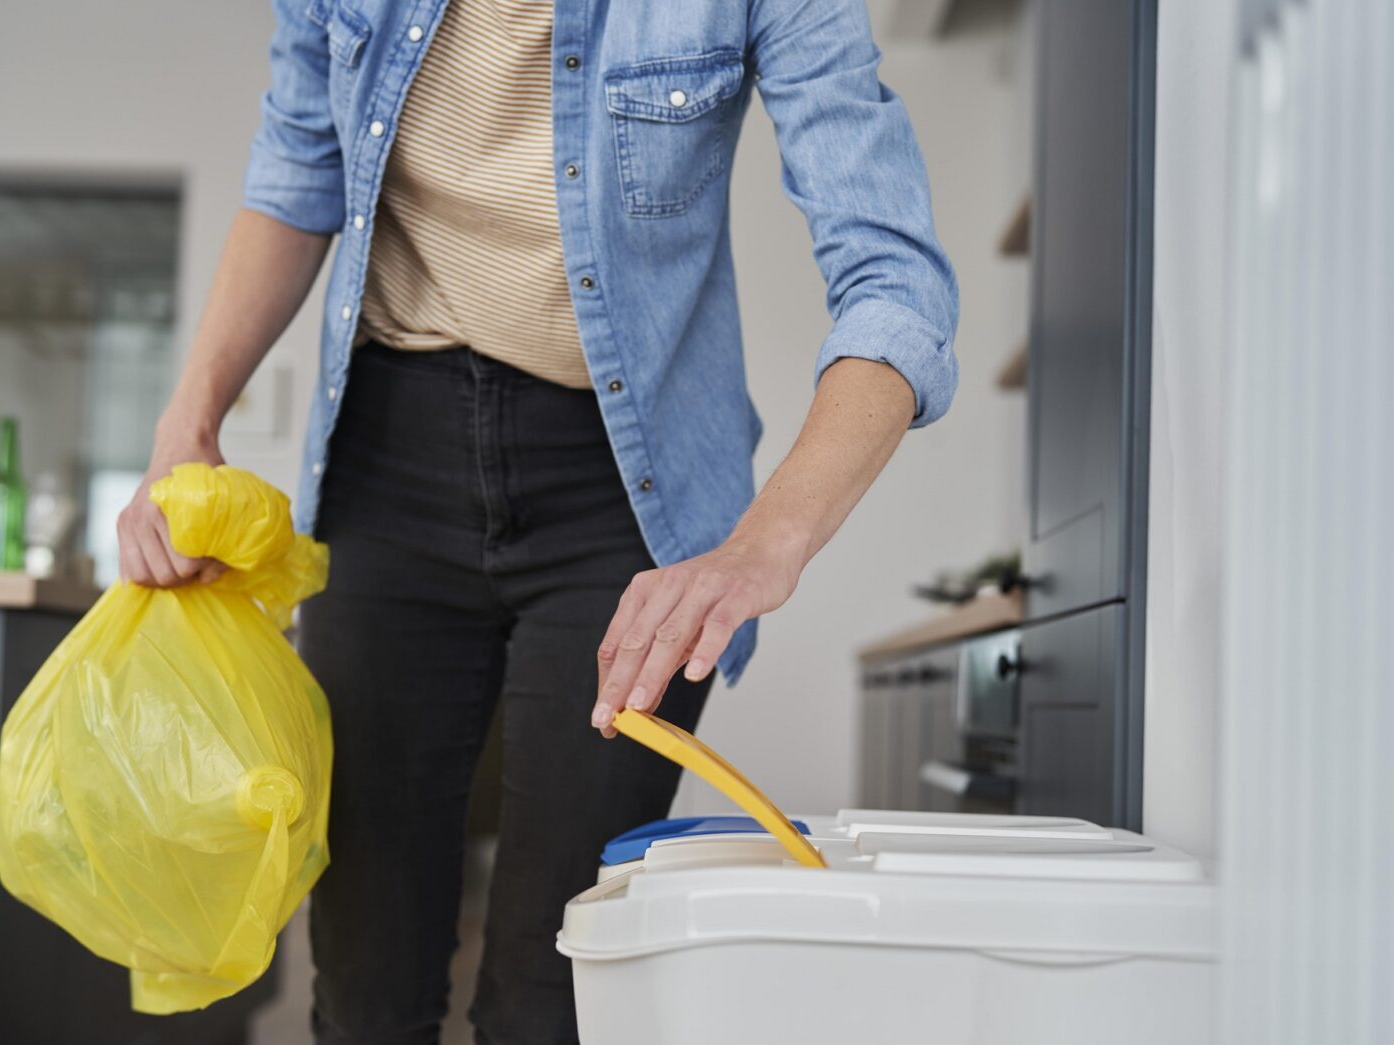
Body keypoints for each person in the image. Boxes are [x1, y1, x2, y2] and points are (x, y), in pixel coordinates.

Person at [117, 0, 958, 1041]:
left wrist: (758, 546)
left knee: (555, 989)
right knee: (365, 985)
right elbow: (297, 170)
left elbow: (893, 283)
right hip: (389, 467)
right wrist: (186, 423)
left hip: (623, 492)